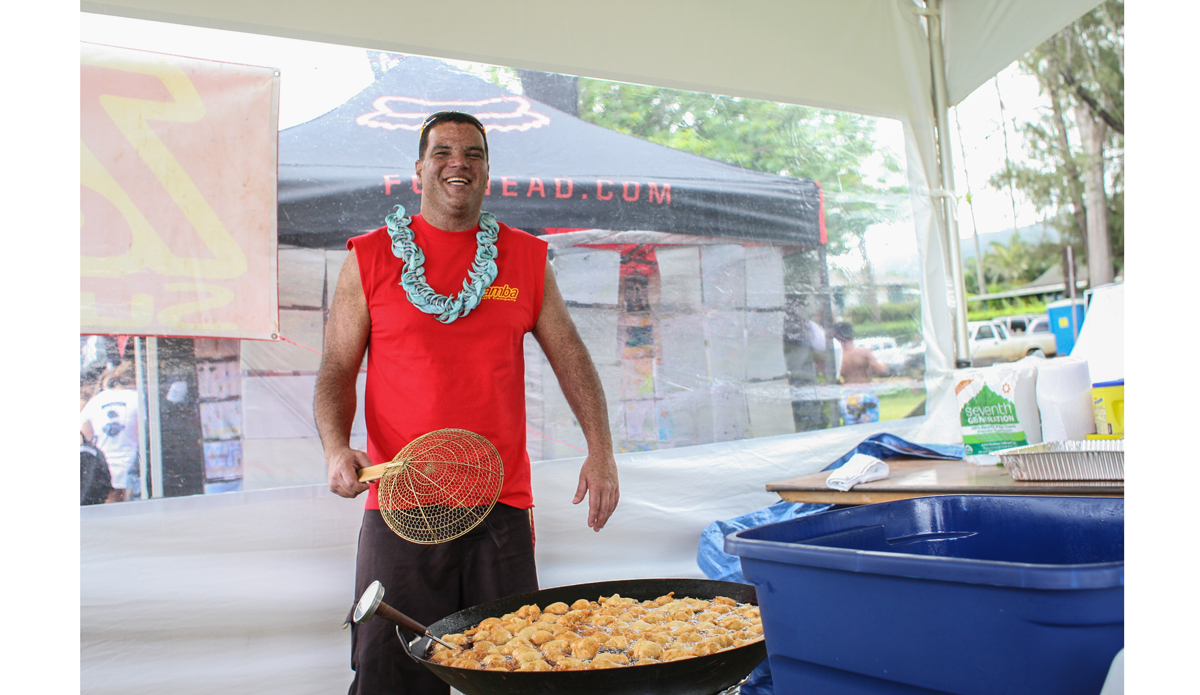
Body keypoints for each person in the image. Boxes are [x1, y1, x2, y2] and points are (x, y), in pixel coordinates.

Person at [313, 111, 620, 695]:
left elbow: (572, 358)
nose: (459, 163)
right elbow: (336, 368)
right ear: (420, 169)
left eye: (474, 154)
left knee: (516, 671)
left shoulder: (527, 257)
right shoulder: (371, 256)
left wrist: (601, 450)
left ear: (487, 171)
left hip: (498, 504)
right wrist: (334, 446)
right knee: (390, 676)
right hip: (401, 503)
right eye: (444, 152)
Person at [80, 361, 141, 503]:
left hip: (103, 466)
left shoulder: (96, 400)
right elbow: (141, 432)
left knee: (111, 508)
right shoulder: (137, 397)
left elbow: (87, 435)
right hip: (131, 462)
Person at [830, 321, 887, 425]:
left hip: (847, 397)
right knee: (869, 431)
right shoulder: (864, 352)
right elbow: (880, 371)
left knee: (851, 432)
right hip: (866, 394)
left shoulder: (837, 358)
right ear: (853, 335)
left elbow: (836, 380)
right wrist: (884, 365)